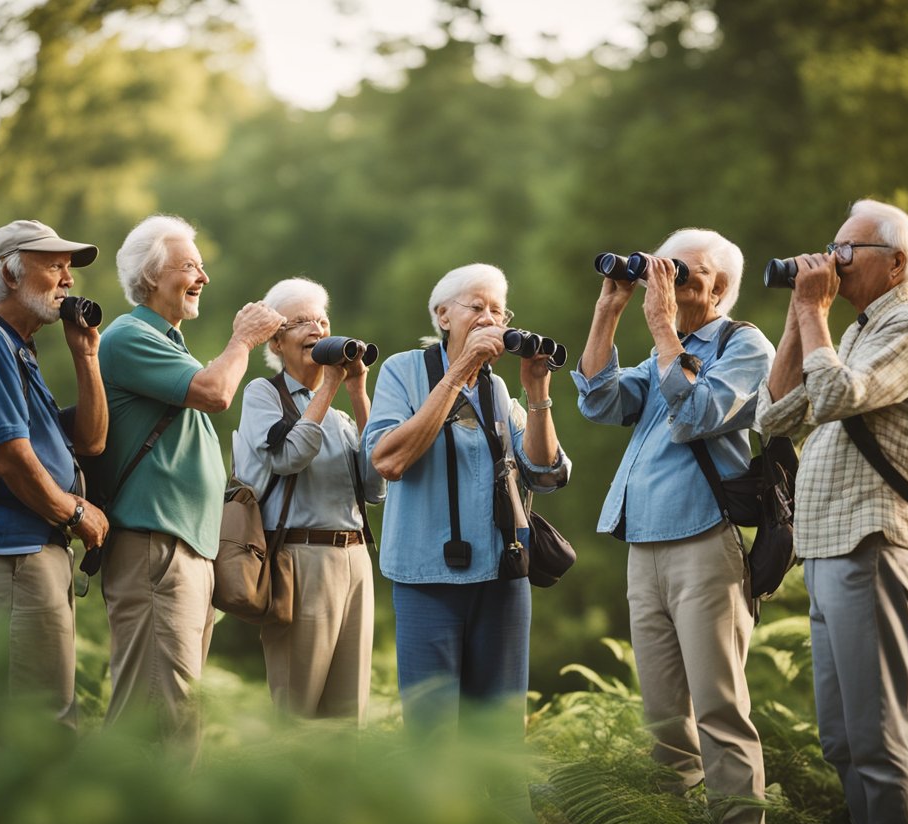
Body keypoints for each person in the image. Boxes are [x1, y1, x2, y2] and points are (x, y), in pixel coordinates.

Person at [755, 200, 908, 824]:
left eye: (847, 251)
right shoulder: (857, 330)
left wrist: (814, 310)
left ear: (896, 264)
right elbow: (775, 417)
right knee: (842, 740)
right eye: (831, 248)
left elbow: (837, 395)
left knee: (878, 742)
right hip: (831, 546)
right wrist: (797, 317)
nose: (832, 262)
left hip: (871, 543)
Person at [573, 228, 772, 824]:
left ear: (722, 288)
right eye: (670, 267)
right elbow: (599, 400)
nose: (673, 276)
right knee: (663, 718)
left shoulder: (745, 346)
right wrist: (609, 309)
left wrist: (661, 327)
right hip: (645, 545)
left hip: (705, 541)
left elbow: (696, 413)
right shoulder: (668, 347)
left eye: (690, 270)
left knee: (718, 708)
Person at [94, 214, 285, 747]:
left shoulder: (171, 344)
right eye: (190, 267)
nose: (203, 278)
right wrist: (243, 340)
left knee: (177, 717)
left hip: (184, 552)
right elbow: (216, 392)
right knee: (159, 717)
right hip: (157, 548)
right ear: (152, 276)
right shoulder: (131, 335)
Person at [364, 263, 571, 734]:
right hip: (427, 575)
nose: (489, 317)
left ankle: (504, 810)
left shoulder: (498, 389)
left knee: (498, 734)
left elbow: (544, 473)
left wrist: (537, 391)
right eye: (476, 307)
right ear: (442, 315)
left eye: (498, 310)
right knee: (432, 732)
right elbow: (389, 461)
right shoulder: (403, 370)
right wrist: (460, 369)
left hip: (503, 573)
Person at [0, 219, 110, 728]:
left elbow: (91, 440)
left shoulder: (20, 351)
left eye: (68, 268)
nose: (69, 280)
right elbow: (10, 458)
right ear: (11, 276)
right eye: (55, 266)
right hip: (8, 553)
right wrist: (77, 512)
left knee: (41, 716)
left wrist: (86, 355)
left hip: (27, 552)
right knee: (38, 723)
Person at [232, 277, 386, 724]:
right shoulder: (264, 395)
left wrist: (357, 392)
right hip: (300, 559)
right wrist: (330, 386)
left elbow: (377, 486)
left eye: (322, 320)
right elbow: (288, 456)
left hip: (355, 559)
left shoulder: (338, 414)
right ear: (277, 341)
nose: (317, 329)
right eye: (301, 322)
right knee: (298, 709)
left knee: (347, 714)